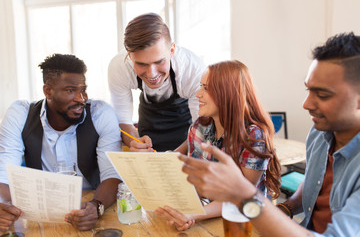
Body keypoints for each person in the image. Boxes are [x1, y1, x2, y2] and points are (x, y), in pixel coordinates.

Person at [178, 32, 360, 236]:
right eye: (308, 90)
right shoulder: (320, 134)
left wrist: (244, 194)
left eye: (323, 95)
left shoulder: (254, 135)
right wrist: (287, 208)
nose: (306, 104)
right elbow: (313, 182)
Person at [0, 54, 122, 232]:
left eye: (83, 89)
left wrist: (96, 207)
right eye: (71, 90)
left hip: (91, 204)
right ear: (48, 91)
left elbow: (112, 175)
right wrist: (2, 206)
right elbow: (4, 174)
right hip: (38, 213)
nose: (81, 98)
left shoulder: (100, 114)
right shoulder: (20, 114)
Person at [154, 60, 281, 231]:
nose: (198, 94)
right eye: (201, 86)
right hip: (205, 216)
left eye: (206, 88)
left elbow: (240, 195)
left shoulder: (254, 136)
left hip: (244, 222)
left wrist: (193, 214)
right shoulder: (199, 127)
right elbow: (194, 182)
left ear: (228, 93)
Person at [108, 13, 206, 152]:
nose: (151, 74)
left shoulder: (191, 69)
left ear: (172, 50)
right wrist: (134, 142)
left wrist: (174, 156)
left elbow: (202, 126)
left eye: (159, 62)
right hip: (148, 125)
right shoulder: (119, 66)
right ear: (129, 56)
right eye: (142, 64)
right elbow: (122, 119)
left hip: (186, 128)